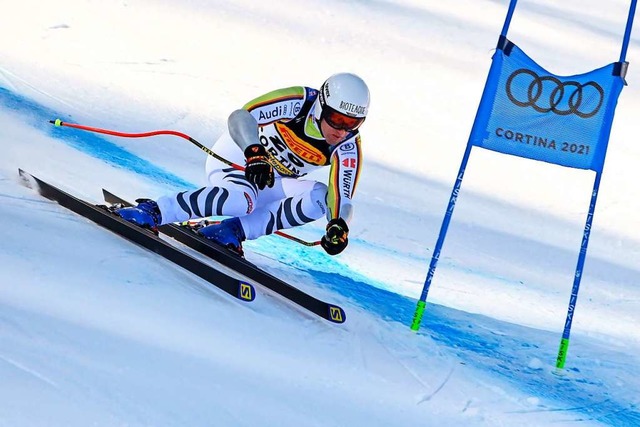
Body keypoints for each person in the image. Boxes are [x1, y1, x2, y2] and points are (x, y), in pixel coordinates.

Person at [115, 72, 370, 257]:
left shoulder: (348, 146)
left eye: (353, 123)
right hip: (236, 160)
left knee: (319, 198)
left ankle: (231, 230)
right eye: (336, 119)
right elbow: (242, 115)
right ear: (321, 107)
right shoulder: (299, 101)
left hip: (270, 182)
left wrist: (339, 225)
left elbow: (342, 196)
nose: (341, 131)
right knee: (242, 200)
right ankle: (154, 211)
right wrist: (254, 151)